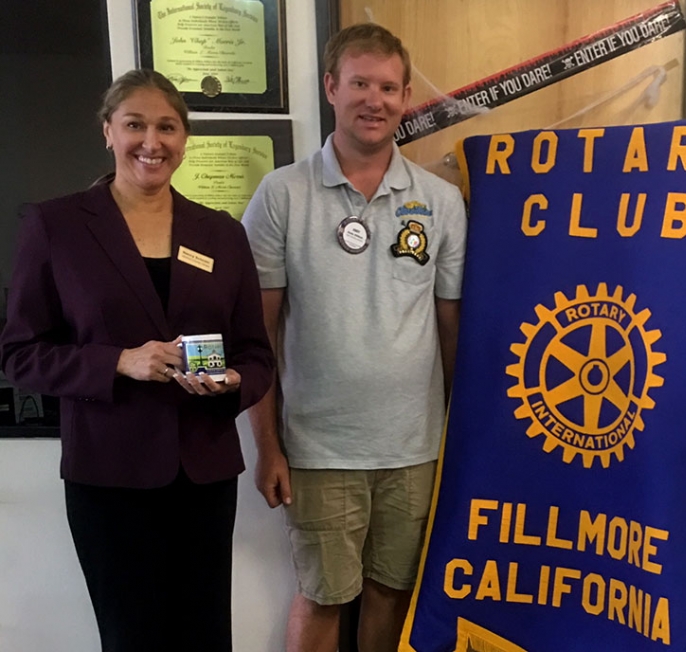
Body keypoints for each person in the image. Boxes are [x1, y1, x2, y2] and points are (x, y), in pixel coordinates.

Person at [0, 69, 275, 652]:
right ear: (108, 131)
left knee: (204, 635)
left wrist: (231, 381)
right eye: (135, 124)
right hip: (109, 477)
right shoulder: (57, 226)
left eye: (167, 127)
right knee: (132, 638)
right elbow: (20, 355)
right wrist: (117, 362)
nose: (152, 142)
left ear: (185, 139)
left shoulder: (222, 233)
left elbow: (256, 355)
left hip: (202, 475)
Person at [242, 23, 466, 652]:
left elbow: (450, 326)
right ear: (332, 87)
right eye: (361, 83)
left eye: (390, 87)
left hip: (414, 447)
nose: (376, 100)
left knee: (393, 592)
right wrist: (268, 447)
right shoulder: (281, 195)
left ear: (404, 98)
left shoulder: (441, 201)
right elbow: (259, 334)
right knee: (321, 597)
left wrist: (459, 436)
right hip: (318, 449)